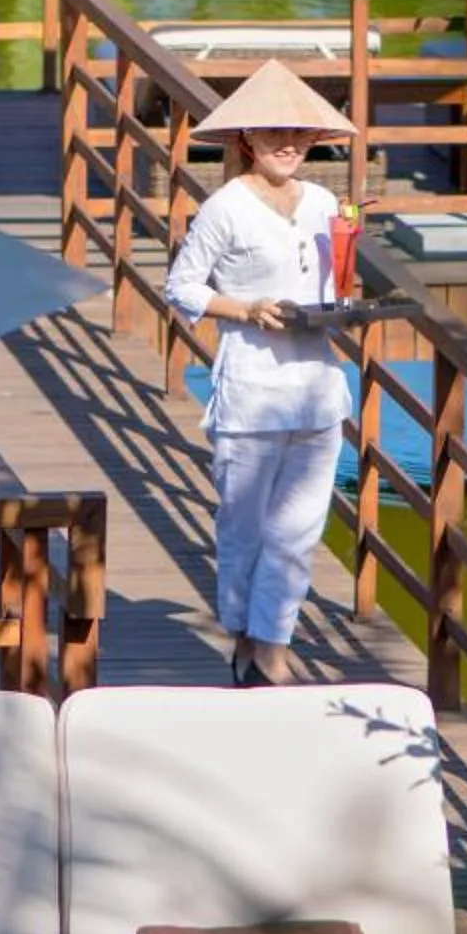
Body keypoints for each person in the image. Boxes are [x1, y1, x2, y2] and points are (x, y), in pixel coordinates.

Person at [164, 61, 354, 685]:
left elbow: (330, 285)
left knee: (298, 534)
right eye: (275, 134)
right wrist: (244, 308)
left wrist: (347, 307)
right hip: (250, 391)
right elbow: (182, 287)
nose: (289, 145)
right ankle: (246, 639)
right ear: (247, 139)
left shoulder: (326, 202)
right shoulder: (226, 208)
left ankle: (271, 644)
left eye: (299, 133)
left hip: (318, 391)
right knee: (244, 530)